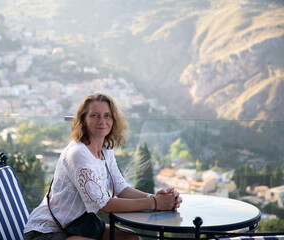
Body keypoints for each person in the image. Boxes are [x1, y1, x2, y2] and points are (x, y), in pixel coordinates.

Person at [24, 93, 182, 240]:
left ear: (114, 121)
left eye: (107, 115)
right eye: (94, 115)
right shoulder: (78, 153)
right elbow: (104, 205)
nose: (102, 121)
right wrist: (155, 204)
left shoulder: (106, 150)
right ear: (83, 120)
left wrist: (156, 198)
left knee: (130, 238)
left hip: (80, 226)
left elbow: (121, 188)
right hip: (47, 232)